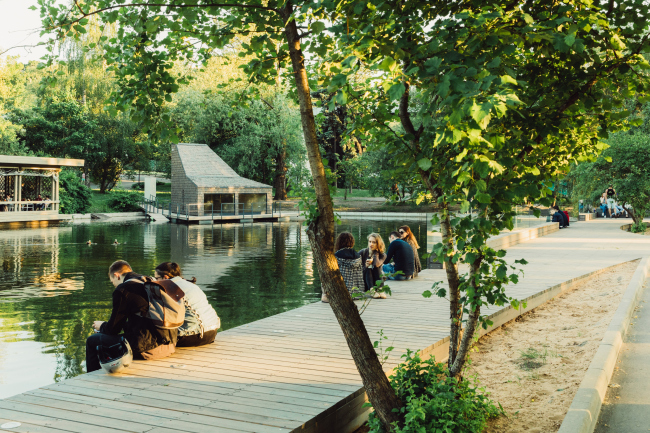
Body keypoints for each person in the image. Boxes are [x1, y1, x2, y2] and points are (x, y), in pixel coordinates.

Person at [85, 260, 178, 373]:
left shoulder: (124, 289)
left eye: (112, 281)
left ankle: (92, 377)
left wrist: (102, 325)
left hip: (149, 349)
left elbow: (113, 329)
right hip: (170, 344)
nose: (113, 285)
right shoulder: (149, 280)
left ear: (116, 275)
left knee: (93, 340)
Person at [154, 262, 220, 347]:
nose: (155, 281)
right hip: (212, 332)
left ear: (165, 277)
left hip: (193, 336)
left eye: (157, 278)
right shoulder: (190, 284)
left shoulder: (168, 287)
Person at [333, 232, 365, 297]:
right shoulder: (358, 256)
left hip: (342, 293)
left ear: (339, 242)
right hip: (358, 293)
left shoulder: (337, 255)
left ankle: (324, 295)